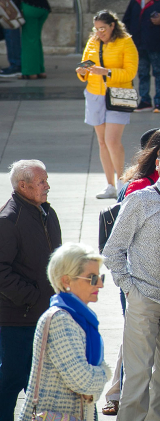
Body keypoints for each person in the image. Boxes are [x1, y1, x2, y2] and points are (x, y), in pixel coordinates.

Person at [103, 134, 160, 421]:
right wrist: (129, 288)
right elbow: (113, 250)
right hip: (143, 297)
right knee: (137, 376)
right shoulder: (140, 199)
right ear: (157, 162)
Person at [16, 243, 110, 421]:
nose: (100, 284)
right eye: (92, 278)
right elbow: (83, 381)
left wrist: (95, 381)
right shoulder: (61, 320)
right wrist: (105, 373)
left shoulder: (82, 317)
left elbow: (88, 381)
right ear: (66, 281)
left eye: (100, 277)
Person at [0, 161, 61, 421]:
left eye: (46, 180)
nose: (47, 186)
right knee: (10, 383)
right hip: (17, 320)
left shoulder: (46, 212)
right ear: (22, 186)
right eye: (41, 182)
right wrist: (34, 298)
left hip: (44, 316)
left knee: (41, 386)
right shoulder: (8, 220)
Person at [78, 11, 139, 200]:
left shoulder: (125, 41)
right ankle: (110, 185)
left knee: (112, 141)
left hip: (118, 95)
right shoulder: (93, 41)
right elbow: (85, 68)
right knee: (102, 142)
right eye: (96, 29)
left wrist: (106, 71)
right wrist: (81, 71)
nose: (99, 32)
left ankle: (122, 182)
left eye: (102, 28)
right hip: (95, 94)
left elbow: (130, 72)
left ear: (113, 25)